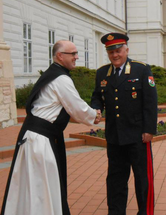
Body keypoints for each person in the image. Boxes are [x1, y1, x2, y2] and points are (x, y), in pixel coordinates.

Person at [1, 40, 101, 215]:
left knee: (31, 185)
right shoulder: (61, 79)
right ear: (60, 56)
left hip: (35, 137)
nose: (77, 57)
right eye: (73, 54)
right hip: (40, 141)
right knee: (40, 186)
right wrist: (94, 116)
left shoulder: (53, 73)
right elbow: (77, 108)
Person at [91, 33, 157, 215]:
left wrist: (149, 129)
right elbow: (97, 97)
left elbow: (150, 103)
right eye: (111, 52)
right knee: (115, 179)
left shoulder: (141, 70)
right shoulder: (102, 73)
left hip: (138, 136)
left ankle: (145, 212)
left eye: (118, 51)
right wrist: (96, 108)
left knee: (142, 178)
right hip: (115, 136)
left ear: (126, 50)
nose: (115, 55)